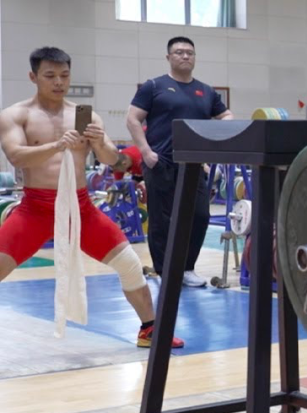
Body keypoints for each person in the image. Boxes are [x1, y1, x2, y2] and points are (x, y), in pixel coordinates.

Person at [0, 47, 183, 348]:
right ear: (33, 77)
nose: (58, 82)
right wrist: (58, 145)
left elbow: (114, 159)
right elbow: (17, 156)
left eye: (64, 75)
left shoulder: (85, 115)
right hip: (36, 209)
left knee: (129, 264)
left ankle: (150, 329)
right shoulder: (15, 115)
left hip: (81, 208)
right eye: (50, 76)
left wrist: (99, 144)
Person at [125, 36, 232, 287]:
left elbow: (226, 115)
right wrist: (146, 152)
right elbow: (132, 119)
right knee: (162, 220)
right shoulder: (154, 86)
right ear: (168, 57)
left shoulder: (206, 91)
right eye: (179, 52)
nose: (185, 56)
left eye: (189, 53)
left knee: (200, 215)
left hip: (193, 164)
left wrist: (215, 140)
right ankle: (165, 271)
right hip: (160, 162)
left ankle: (186, 269)